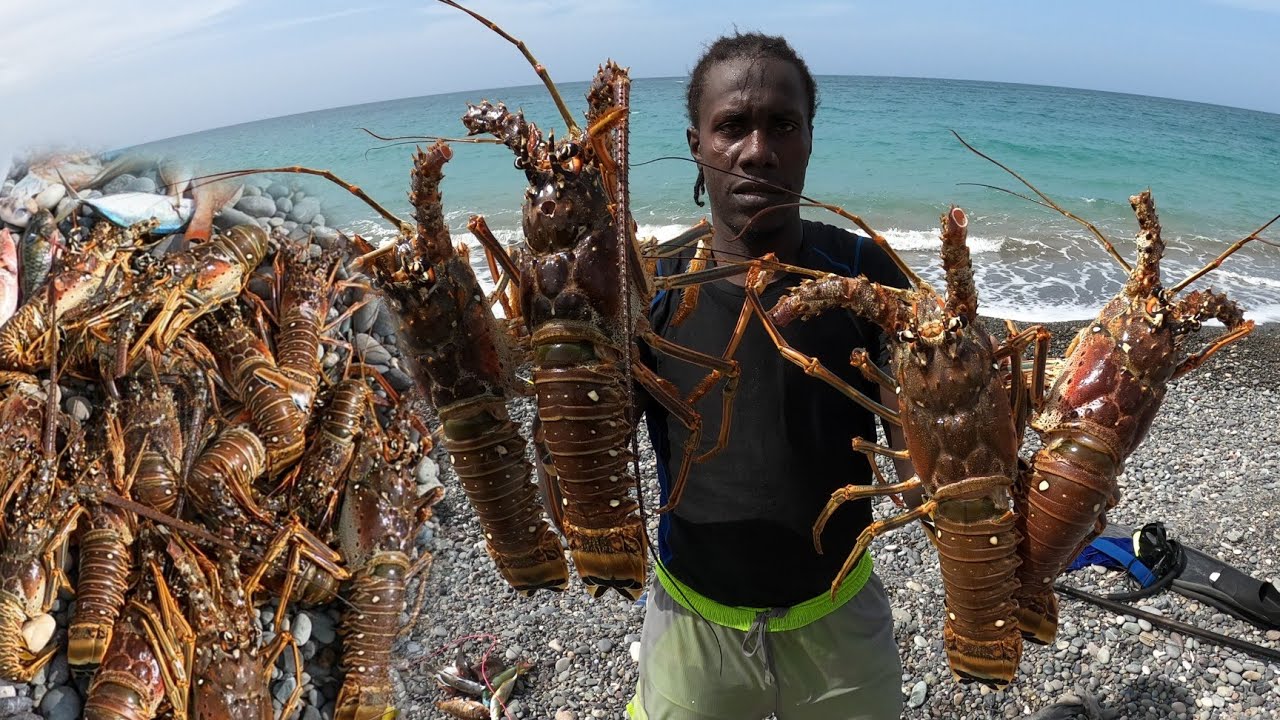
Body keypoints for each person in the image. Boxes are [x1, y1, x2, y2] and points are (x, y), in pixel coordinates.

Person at [627, 33, 914, 720]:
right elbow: (592, 449)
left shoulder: (866, 273)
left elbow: (916, 454)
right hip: (692, 619)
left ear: (810, 138)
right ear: (697, 144)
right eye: (732, 126)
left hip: (839, 614)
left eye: (782, 125)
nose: (759, 150)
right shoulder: (650, 284)